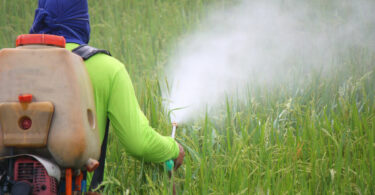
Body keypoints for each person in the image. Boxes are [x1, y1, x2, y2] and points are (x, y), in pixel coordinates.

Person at [29, 0, 185, 190]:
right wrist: (172, 149)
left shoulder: (12, 63)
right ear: (81, 19)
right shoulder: (107, 68)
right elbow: (138, 142)